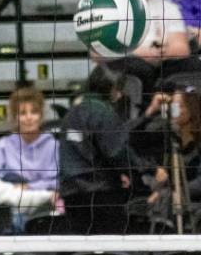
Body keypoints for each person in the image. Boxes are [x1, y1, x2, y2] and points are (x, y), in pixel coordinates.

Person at [58, 65, 159, 234]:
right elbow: (116, 151)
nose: (119, 95)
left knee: (82, 245)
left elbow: (91, 149)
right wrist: (151, 170)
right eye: (117, 89)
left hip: (71, 194)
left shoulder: (71, 113)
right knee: (111, 245)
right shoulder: (102, 112)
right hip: (100, 194)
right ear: (107, 87)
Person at [138, 87, 201, 212]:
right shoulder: (171, 138)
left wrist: (169, 193)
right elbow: (134, 142)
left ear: (191, 111)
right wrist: (151, 111)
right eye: (172, 106)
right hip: (174, 204)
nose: (173, 110)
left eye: (177, 106)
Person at [105, 0, 192, 95]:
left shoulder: (169, 8)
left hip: (161, 64)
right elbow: (98, 50)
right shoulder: (110, 6)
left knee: (192, 64)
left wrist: (159, 53)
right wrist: (138, 53)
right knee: (139, 68)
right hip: (123, 64)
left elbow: (182, 48)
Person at [0, 86, 60, 192]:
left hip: (45, 199)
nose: (29, 117)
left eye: (34, 112)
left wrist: (29, 187)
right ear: (15, 117)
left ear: (41, 116)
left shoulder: (53, 146)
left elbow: (58, 181)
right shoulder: (4, 145)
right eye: (23, 113)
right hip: (12, 197)